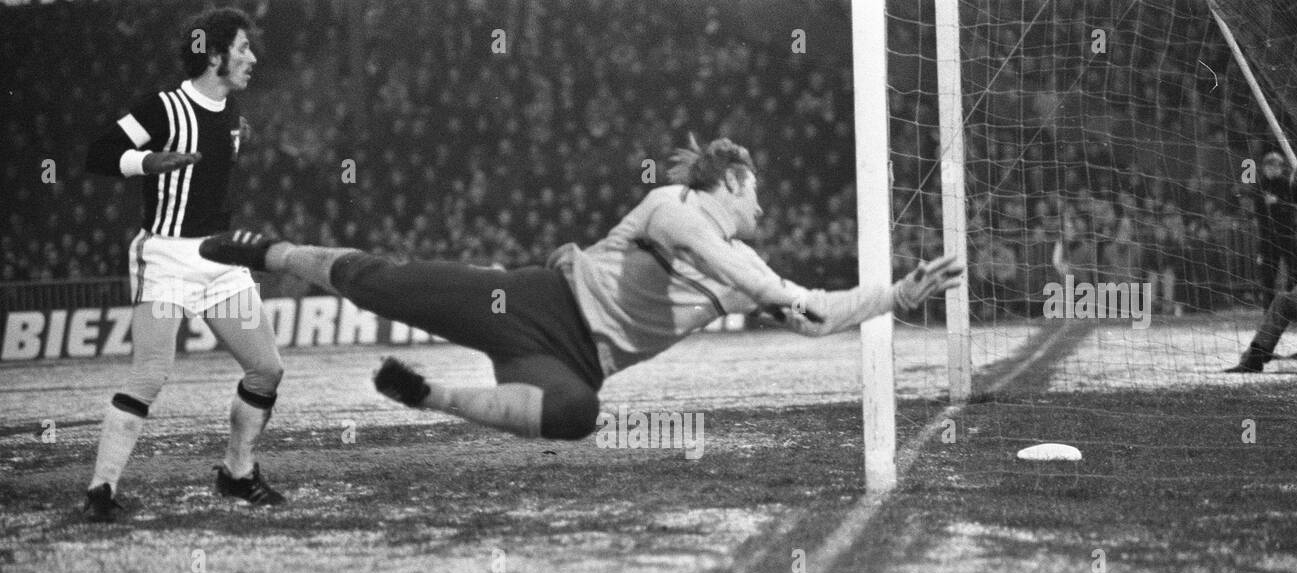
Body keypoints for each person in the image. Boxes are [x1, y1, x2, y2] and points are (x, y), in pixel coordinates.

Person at [199, 135, 960, 441]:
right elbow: (753, 279)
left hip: (571, 364)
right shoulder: (676, 210)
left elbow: (816, 319)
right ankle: (269, 249)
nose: (765, 203)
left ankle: (430, 397)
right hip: (532, 303)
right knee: (386, 282)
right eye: (757, 188)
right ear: (731, 179)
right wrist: (780, 291)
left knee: (578, 415)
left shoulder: (740, 276)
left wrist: (895, 296)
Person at [81, 7, 285, 521]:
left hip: (220, 256)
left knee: (266, 368)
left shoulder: (233, 110)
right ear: (214, 55)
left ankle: (237, 474)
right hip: (167, 258)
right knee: (150, 375)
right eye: (242, 48)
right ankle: (100, 491)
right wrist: (148, 161)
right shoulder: (163, 107)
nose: (252, 57)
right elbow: (99, 153)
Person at [1227, 150, 1297, 372]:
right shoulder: (1260, 186)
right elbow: (1245, 197)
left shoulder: (1285, 187)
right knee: (1280, 294)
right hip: (1268, 240)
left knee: (1287, 294)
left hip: (1285, 238)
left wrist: (1280, 201)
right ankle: (1256, 357)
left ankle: (1254, 359)